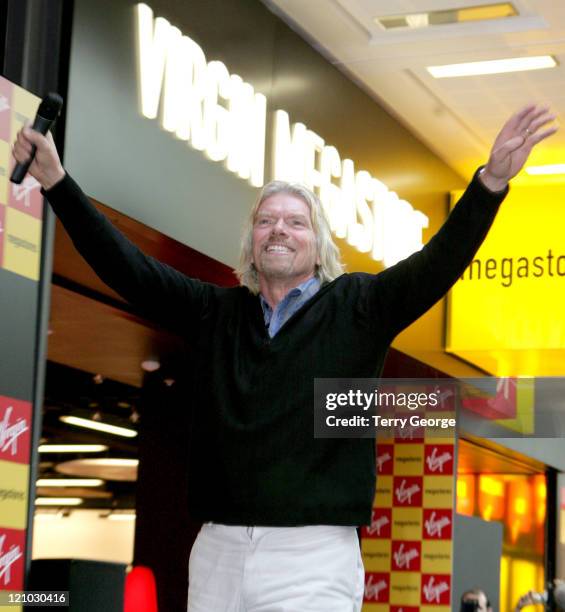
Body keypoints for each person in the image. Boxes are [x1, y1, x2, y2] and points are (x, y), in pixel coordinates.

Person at [13, 105, 556, 611]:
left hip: (313, 558)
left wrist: (488, 185)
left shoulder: (359, 306)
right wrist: (58, 183)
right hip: (216, 551)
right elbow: (126, 267)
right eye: (266, 220)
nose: (279, 229)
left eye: (296, 222)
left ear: (319, 245)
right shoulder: (216, 312)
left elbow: (438, 264)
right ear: (251, 244)